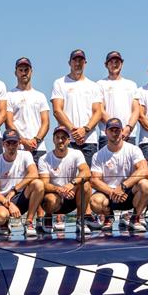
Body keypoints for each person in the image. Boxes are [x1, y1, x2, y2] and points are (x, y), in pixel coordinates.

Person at [51, 49, 103, 228]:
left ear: (85, 63)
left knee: (85, 181)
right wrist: (74, 130)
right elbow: (57, 110)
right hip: (68, 139)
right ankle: (58, 217)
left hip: (88, 140)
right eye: (75, 60)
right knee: (62, 179)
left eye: (81, 60)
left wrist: (85, 129)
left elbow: (98, 112)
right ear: (69, 62)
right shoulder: (60, 83)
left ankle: (84, 217)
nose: (78, 63)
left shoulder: (93, 85)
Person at [89, 118, 148, 232]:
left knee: (146, 185)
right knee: (94, 201)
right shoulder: (98, 155)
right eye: (111, 130)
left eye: (117, 130)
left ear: (122, 131)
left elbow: (144, 170)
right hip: (109, 194)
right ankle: (108, 217)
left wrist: (123, 186)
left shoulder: (133, 149)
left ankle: (135, 218)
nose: (114, 133)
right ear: (106, 132)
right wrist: (112, 192)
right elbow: (94, 181)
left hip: (128, 192)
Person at [0, 129, 44, 236]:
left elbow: (34, 173)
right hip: (3, 200)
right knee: (0, 216)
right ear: (3, 144)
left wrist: (14, 190)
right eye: (8, 143)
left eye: (14, 142)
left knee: (38, 184)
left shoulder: (26, 155)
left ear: (19, 143)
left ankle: (29, 222)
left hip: (20, 196)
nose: (11, 146)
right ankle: (3, 222)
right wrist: (8, 204)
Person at [37, 125, 92, 234]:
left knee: (86, 185)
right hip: (54, 196)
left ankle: (80, 220)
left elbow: (86, 172)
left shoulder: (76, 153)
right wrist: (60, 189)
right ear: (53, 139)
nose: (60, 140)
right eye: (57, 137)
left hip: (71, 195)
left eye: (63, 137)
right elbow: (44, 183)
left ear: (69, 140)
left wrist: (72, 185)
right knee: (49, 199)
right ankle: (48, 218)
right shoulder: (44, 159)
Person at [5, 57, 50, 164]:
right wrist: (24, 141)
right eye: (20, 70)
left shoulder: (40, 96)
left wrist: (36, 140)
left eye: (26, 70)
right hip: (18, 147)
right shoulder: (9, 96)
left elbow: (46, 123)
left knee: (39, 180)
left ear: (31, 72)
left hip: (38, 148)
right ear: (15, 73)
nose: (24, 73)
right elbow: (9, 123)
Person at [97, 50, 140, 149]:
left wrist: (128, 128)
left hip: (128, 135)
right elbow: (100, 110)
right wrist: (116, 128)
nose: (114, 64)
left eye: (117, 62)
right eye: (111, 62)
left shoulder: (131, 85)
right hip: (107, 135)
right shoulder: (100, 84)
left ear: (122, 64)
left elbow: (136, 110)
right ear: (106, 65)